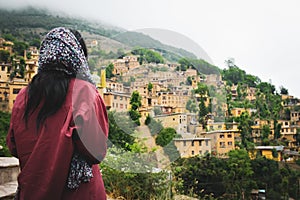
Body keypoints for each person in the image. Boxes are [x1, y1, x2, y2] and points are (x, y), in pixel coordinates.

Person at [6, 27, 108, 200]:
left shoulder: (24, 96)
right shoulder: (83, 92)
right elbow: (97, 151)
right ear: (78, 57)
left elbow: (13, 146)